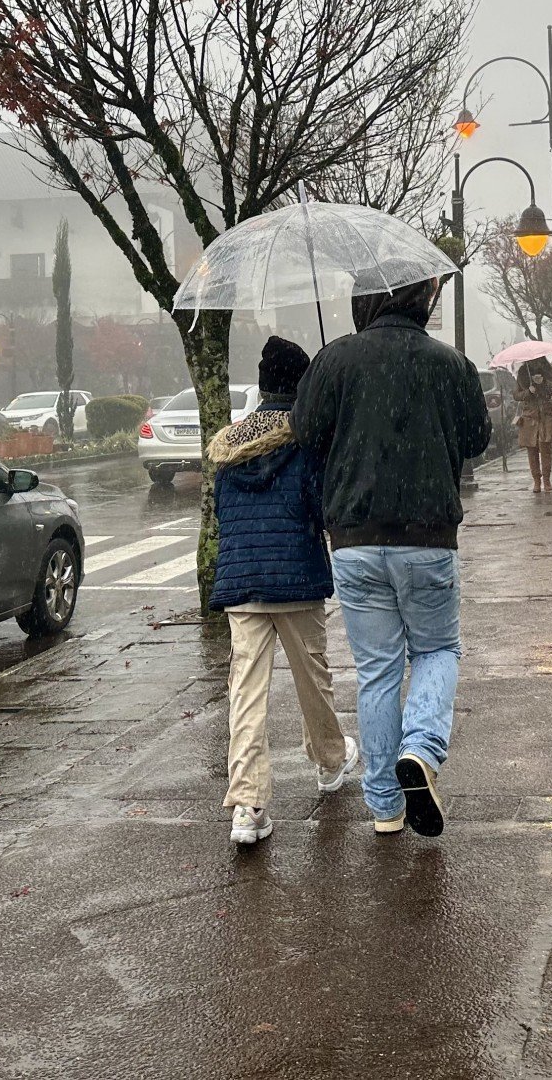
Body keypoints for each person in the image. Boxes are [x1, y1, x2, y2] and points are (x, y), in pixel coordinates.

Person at [293, 277, 493, 837]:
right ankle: (422, 750)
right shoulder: (449, 363)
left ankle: (384, 805)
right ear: (422, 300)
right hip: (428, 535)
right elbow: (479, 436)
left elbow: (305, 432)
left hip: (355, 537)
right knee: (437, 648)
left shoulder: (336, 360)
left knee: (377, 669)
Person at [208, 336, 359, 847]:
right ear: (301, 385)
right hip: (295, 579)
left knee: (246, 693)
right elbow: (321, 508)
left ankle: (248, 806)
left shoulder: (231, 446)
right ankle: (329, 761)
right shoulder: (306, 438)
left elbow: (222, 512)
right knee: (312, 680)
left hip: (243, 584)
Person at [513, 355, 552, 493]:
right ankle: (537, 480)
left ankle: (546, 480)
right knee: (532, 449)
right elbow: (516, 395)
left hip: (546, 416)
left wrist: (544, 384)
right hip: (530, 416)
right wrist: (529, 391)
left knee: (546, 448)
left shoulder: (548, 370)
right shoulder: (523, 373)